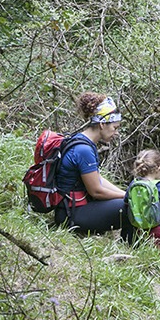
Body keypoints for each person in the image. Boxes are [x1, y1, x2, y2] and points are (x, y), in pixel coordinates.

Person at [55, 91, 129, 234]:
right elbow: (96, 191)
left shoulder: (81, 141)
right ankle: (132, 246)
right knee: (131, 207)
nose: (116, 133)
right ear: (102, 124)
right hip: (71, 215)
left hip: (71, 209)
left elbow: (97, 179)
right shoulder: (84, 150)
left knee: (129, 201)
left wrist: (125, 193)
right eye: (115, 127)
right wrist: (126, 197)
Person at [125, 149, 160, 281]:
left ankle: (148, 276)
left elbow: (127, 202)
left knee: (147, 249)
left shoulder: (134, 184)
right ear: (159, 168)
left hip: (140, 226)